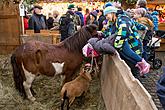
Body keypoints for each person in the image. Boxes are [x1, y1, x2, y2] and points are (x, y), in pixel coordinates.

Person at [103, 6, 150, 76]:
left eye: (107, 15)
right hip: (127, 46)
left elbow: (124, 31)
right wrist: (103, 34)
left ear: (112, 13)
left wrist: (116, 43)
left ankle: (142, 64)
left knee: (133, 69)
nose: (106, 17)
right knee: (130, 63)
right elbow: (110, 33)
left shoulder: (122, 18)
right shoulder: (113, 22)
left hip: (134, 45)